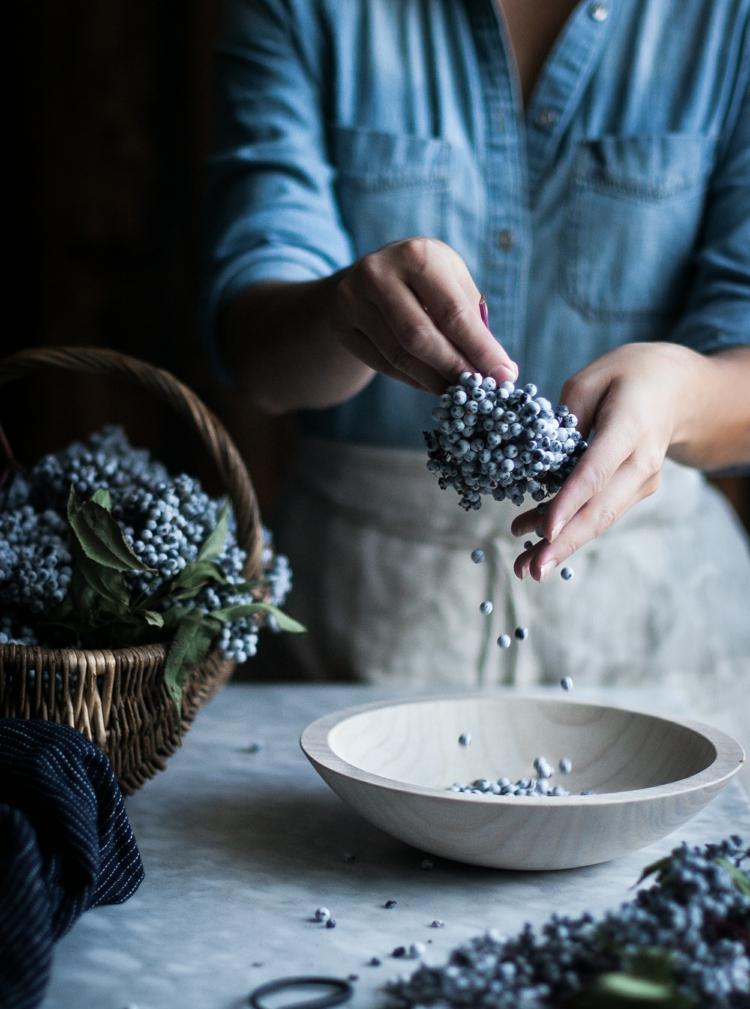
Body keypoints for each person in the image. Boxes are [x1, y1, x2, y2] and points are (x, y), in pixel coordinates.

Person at [204, 0, 750, 690]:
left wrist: (677, 393)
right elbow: (255, 354)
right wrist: (338, 310)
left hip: (657, 632)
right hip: (356, 626)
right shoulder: (304, 13)